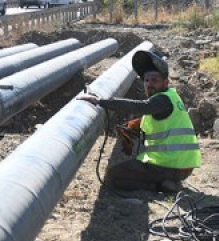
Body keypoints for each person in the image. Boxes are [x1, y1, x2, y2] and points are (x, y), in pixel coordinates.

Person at [77, 49, 200, 192]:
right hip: (180, 164)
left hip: (170, 165)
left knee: (113, 176)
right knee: (127, 169)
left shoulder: (162, 100)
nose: (149, 84)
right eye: (147, 80)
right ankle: (165, 182)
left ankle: (160, 186)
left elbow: (138, 107)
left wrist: (101, 102)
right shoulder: (171, 97)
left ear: (166, 82)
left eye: (155, 80)